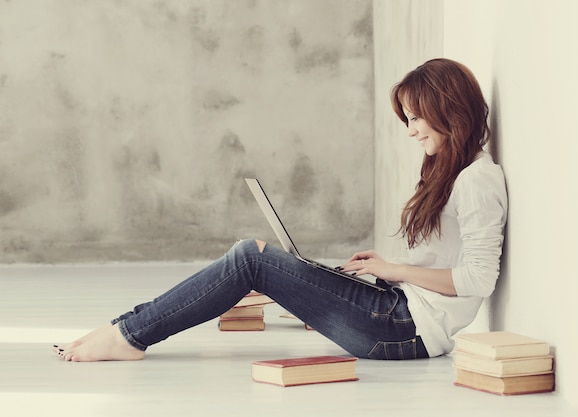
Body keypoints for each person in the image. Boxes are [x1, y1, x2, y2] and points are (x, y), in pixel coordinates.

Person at [52, 58, 507, 362]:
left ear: (446, 108)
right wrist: (386, 270)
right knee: (257, 259)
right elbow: (447, 265)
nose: (410, 131)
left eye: (415, 117)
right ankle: (128, 327)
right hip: (397, 309)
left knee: (251, 257)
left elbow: (478, 279)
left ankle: (128, 336)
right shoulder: (450, 170)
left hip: (405, 329)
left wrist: (397, 270)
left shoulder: (478, 180)